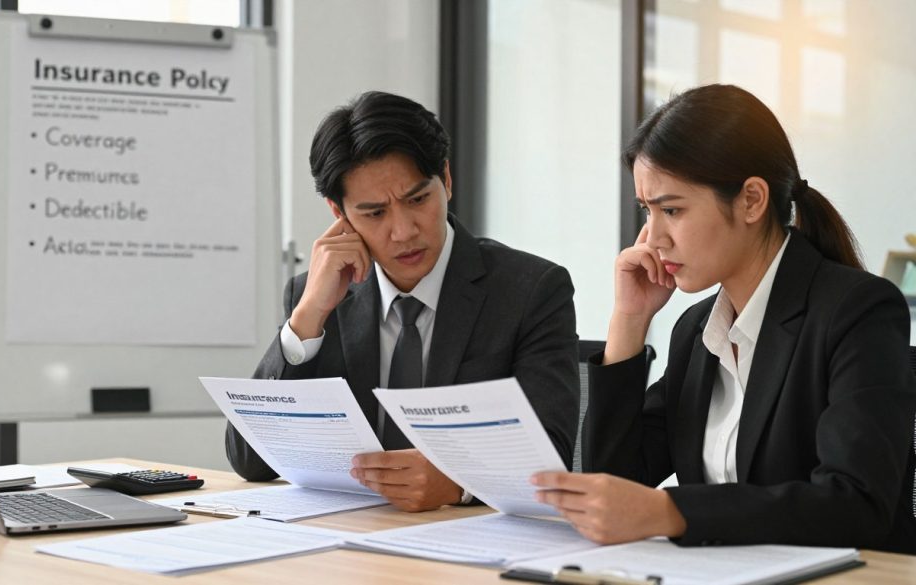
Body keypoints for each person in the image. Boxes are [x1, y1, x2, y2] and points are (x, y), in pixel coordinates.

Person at [532, 84, 916, 554]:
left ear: (752, 200)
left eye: (671, 210)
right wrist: (629, 321)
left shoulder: (858, 311)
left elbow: (855, 505)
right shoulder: (696, 331)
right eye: (646, 212)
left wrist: (673, 510)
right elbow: (615, 486)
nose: (653, 239)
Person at [226, 91, 580, 512]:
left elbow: (553, 457)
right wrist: (306, 320)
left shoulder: (531, 290)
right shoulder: (317, 296)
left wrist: (456, 483)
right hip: (352, 543)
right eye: (375, 213)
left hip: (470, 545)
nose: (403, 231)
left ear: (445, 179)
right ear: (339, 214)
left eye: (417, 200)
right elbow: (250, 462)